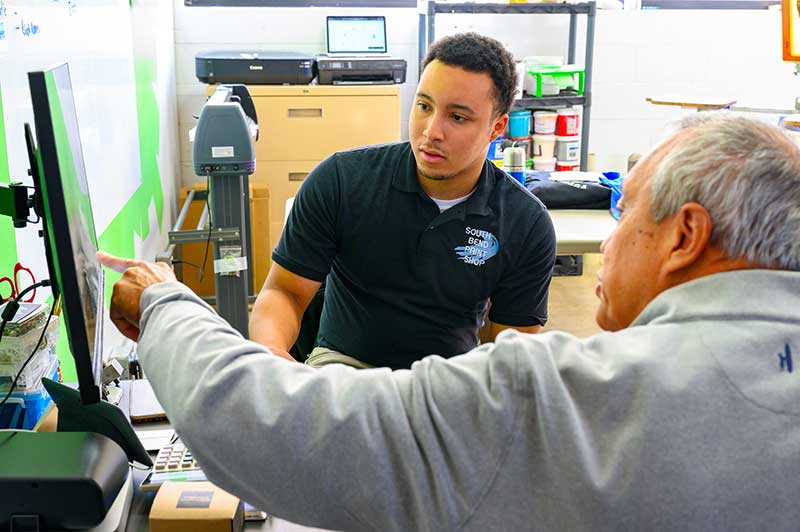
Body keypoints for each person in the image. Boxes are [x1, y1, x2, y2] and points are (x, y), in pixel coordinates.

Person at [99, 113, 800, 532]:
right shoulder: (347, 180)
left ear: (684, 236)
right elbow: (285, 301)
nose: (610, 242)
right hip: (357, 377)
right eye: (426, 108)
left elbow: (266, 425)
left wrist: (163, 302)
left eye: (626, 214)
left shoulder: (566, 396)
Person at [249, 32, 557, 368]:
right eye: (424, 106)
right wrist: (271, 355)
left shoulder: (525, 223)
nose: (431, 131)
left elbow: (510, 350)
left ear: (497, 128)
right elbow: (285, 292)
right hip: (343, 367)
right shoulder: (341, 180)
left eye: (457, 117)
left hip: (446, 380)